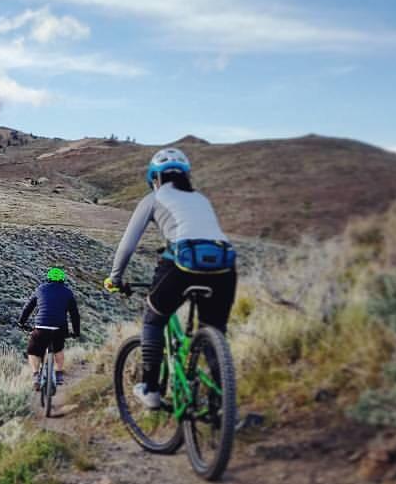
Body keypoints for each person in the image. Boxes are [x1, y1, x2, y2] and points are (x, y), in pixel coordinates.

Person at [104, 148, 237, 409]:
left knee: (154, 319)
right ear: (185, 176)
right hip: (224, 267)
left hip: (181, 263)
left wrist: (115, 278)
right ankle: (222, 406)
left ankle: (151, 389)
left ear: (156, 178)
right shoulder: (201, 198)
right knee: (214, 331)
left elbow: (127, 246)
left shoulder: (154, 198)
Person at [18, 267, 81, 388]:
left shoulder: (40, 289)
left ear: (48, 279)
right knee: (59, 349)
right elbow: (74, 314)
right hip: (59, 328)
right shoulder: (67, 292)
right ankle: (58, 375)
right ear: (63, 280)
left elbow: (28, 308)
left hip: (41, 327)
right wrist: (76, 332)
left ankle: (36, 375)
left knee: (33, 351)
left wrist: (21, 323)